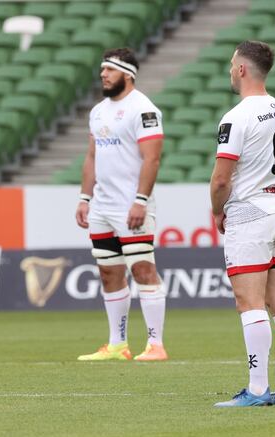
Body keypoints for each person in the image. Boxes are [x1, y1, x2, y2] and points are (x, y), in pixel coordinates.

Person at [211, 41, 275, 407]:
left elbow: (221, 179)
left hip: (249, 214)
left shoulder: (237, 116)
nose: (230, 70)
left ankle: (258, 388)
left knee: (248, 302)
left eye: (233, 64)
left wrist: (218, 209)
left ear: (243, 70)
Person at [75, 48, 168, 362]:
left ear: (127, 74)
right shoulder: (98, 111)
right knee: (108, 273)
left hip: (130, 206)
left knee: (143, 270)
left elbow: (152, 158)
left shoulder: (143, 109)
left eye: (109, 70)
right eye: (102, 69)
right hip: (102, 206)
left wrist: (140, 200)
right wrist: (85, 198)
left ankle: (156, 345)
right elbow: (91, 157)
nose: (103, 74)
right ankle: (118, 345)